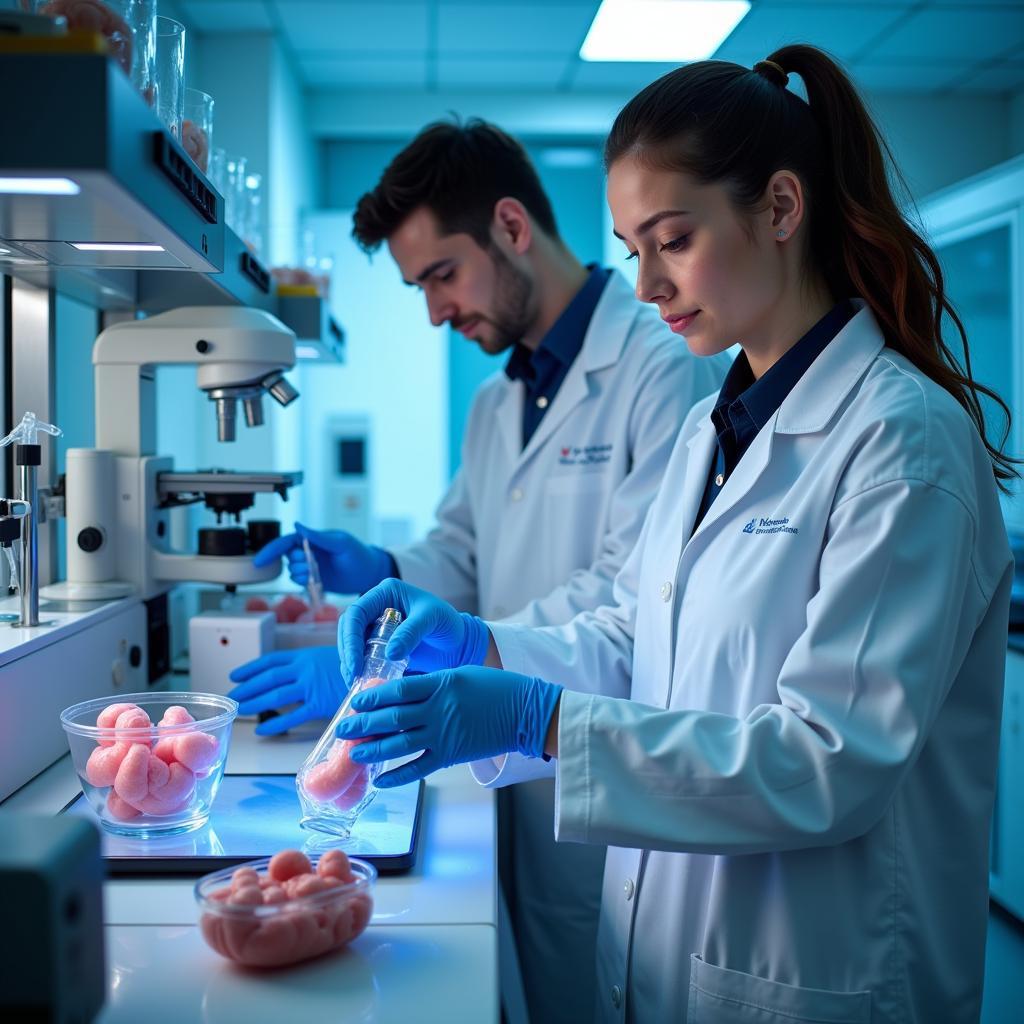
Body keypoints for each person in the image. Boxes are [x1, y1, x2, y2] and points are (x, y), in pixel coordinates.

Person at [333, 46, 1016, 1023]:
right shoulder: (716, 428)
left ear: (780, 209)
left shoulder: (901, 444)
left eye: (673, 239)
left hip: (813, 974)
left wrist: (540, 719)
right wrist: (484, 649)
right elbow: (632, 635)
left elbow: (827, 761)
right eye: (630, 249)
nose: (648, 285)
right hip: (663, 949)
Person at [229, 119, 729, 1022]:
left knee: (594, 989)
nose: (433, 312)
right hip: (508, 761)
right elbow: (459, 554)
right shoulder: (501, 400)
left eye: (439, 275)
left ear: (510, 225)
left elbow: (633, 595)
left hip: (602, 769)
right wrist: (377, 565)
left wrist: (459, 655)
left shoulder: (664, 368)